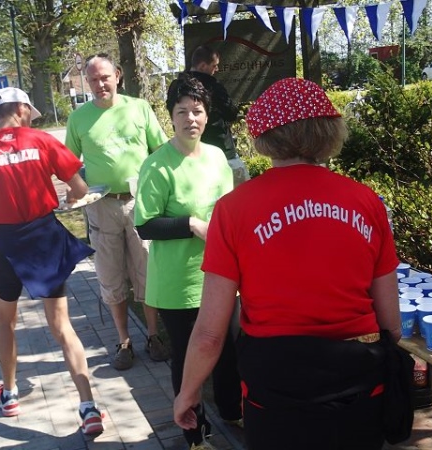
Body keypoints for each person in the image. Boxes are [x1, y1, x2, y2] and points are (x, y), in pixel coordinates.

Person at [173, 78, 401, 450]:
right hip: (358, 382)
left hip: (274, 385)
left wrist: (188, 392)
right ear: (329, 130)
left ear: (264, 135)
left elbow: (210, 334)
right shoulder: (366, 202)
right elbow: (391, 323)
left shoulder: (233, 210)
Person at [0, 87, 104, 435]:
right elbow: (81, 189)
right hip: (44, 240)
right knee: (62, 326)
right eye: (30, 113)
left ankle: (9, 395)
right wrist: (70, 197)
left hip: (4, 243)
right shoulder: (41, 140)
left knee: (5, 322)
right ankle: (88, 407)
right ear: (21, 109)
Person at [134, 74, 242, 450]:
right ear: (171, 117)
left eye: (197, 111)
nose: (190, 119)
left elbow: (228, 212)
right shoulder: (157, 165)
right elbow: (145, 224)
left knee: (229, 347)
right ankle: (195, 434)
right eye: (182, 112)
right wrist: (192, 224)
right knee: (187, 360)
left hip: (220, 276)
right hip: (178, 284)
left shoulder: (216, 157)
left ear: (207, 115)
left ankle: (232, 410)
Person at [65, 53, 170, 370]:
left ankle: (153, 335)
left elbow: (161, 151)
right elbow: (67, 163)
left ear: (118, 76)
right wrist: (75, 189)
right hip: (100, 206)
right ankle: (124, 341)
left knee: (148, 270)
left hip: (140, 203)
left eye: (105, 77)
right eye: (93, 79)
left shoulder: (139, 108)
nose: (100, 84)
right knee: (110, 276)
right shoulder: (79, 118)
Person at [187, 45, 249, 187]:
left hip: (191, 149)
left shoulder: (178, 86)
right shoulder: (213, 85)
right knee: (239, 189)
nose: (217, 69)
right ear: (203, 66)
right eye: (214, 66)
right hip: (221, 146)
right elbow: (231, 112)